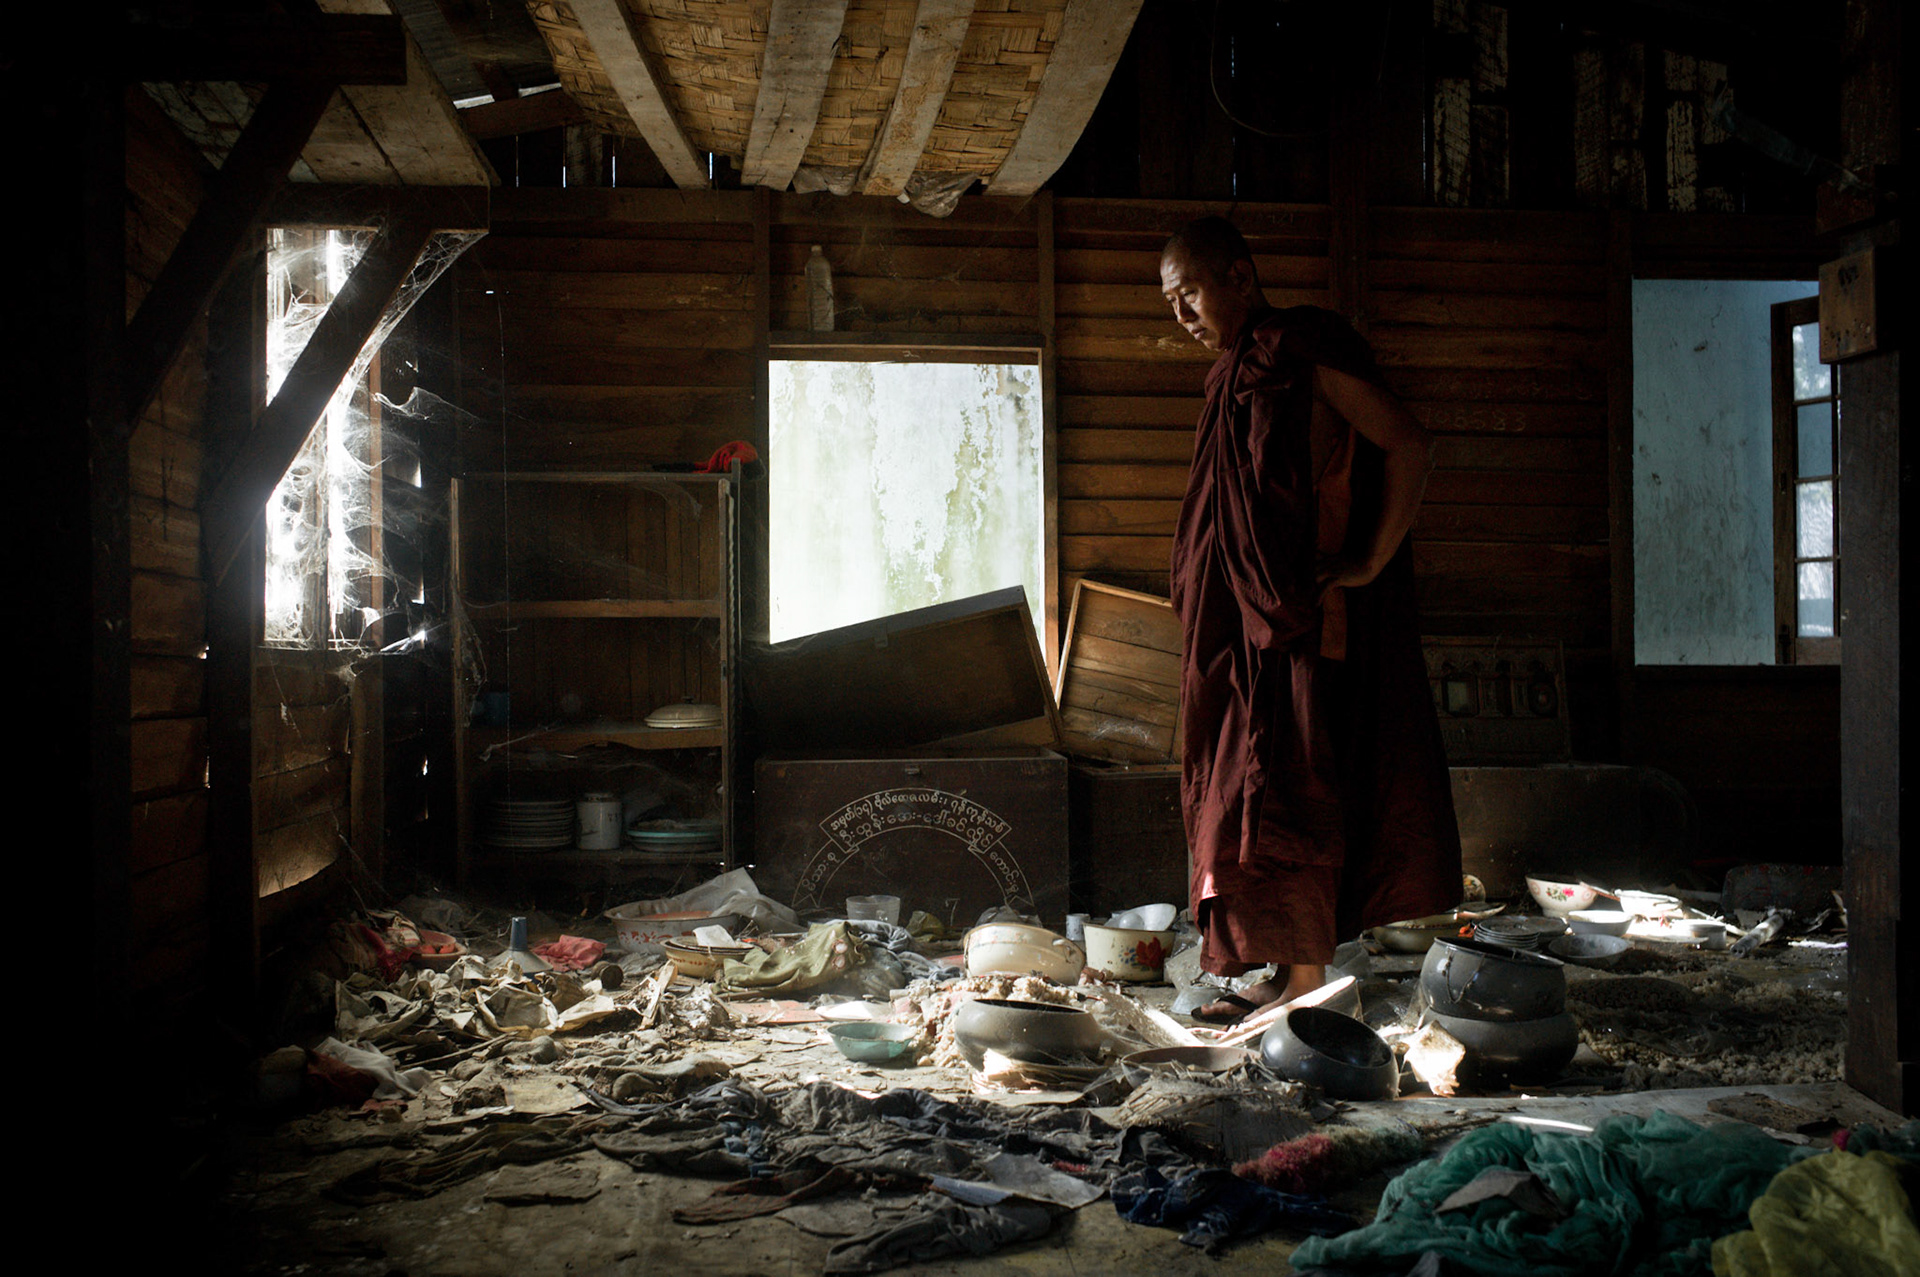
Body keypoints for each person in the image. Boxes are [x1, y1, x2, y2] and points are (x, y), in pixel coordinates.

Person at [1161, 216, 1462, 1023]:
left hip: (1302, 624)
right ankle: (1289, 969)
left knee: (1289, 793)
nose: (1181, 316)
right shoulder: (1229, 377)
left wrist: (1367, 559)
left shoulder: (1300, 348)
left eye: (1188, 292)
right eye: (1171, 302)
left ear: (1239, 276)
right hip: (1244, 638)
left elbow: (1407, 442)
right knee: (1249, 798)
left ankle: (1305, 982)